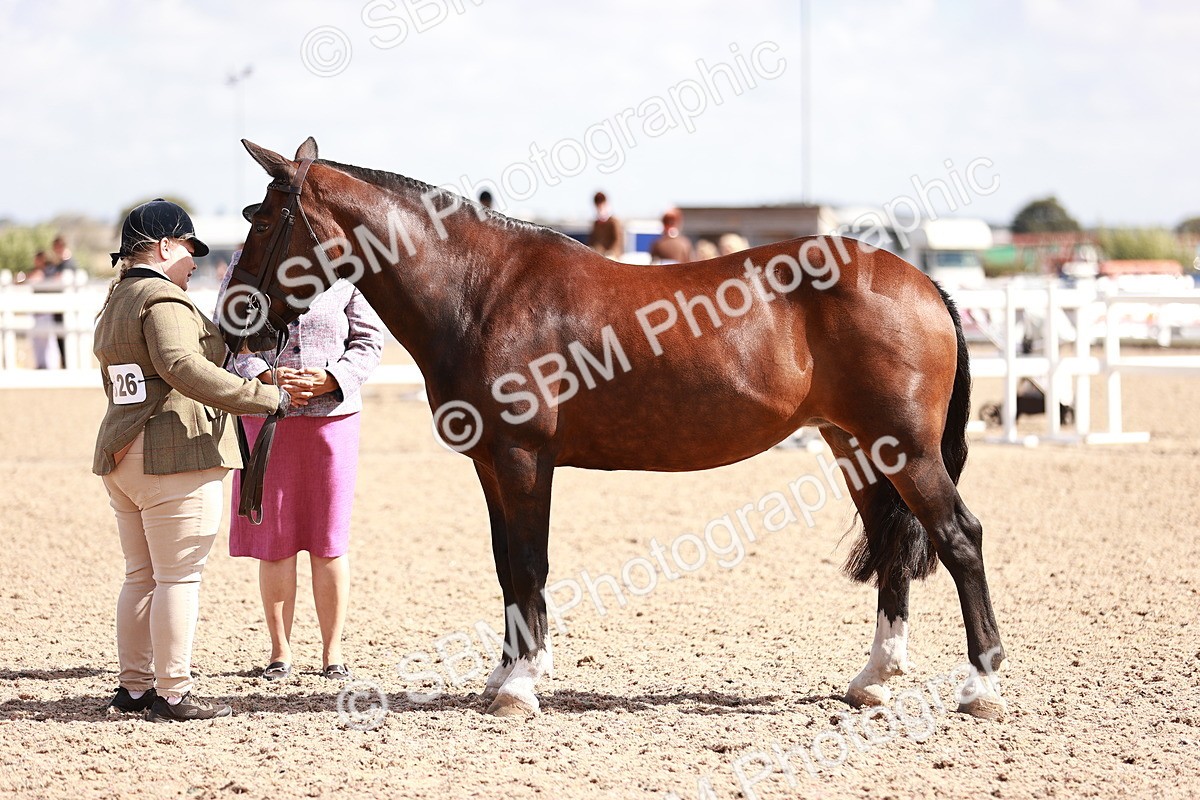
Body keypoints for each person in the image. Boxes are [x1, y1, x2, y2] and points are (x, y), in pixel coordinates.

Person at [94, 199, 297, 722]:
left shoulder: (117, 299)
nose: (193, 262)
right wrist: (262, 397)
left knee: (140, 576)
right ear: (164, 246)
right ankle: (173, 693)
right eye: (188, 249)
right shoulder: (163, 298)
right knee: (177, 579)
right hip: (173, 454)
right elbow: (180, 364)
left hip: (123, 452)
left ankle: (134, 687)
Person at [219, 221, 385, 683]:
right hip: (267, 416)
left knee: (329, 541)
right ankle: (280, 653)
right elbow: (227, 337)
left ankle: (333, 654)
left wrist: (333, 378)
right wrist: (265, 375)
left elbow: (369, 340)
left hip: (333, 420)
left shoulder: (347, 270)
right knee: (274, 541)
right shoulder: (246, 264)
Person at [588, 191, 624, 259]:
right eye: (598, 206)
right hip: (599, 255)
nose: (599, 208)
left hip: (612, 256)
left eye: (601, 205)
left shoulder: (614, 222)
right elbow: (592, 240)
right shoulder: (596, 223)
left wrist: (612, 252)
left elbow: (618, 240)